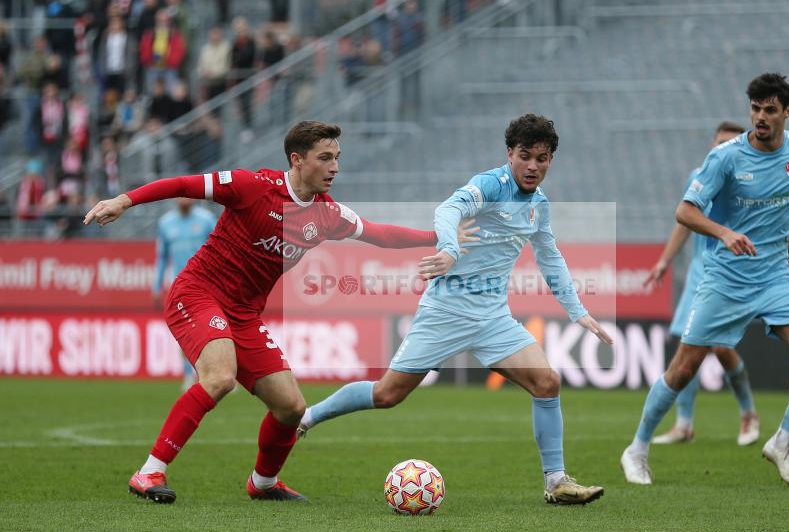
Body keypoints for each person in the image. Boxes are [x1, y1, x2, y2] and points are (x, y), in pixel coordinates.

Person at [84, 121, 472, 504]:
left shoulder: (328, 215)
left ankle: (264, 482)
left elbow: (380, 234)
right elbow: (183, 185)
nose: (335, 167)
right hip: (199, 293)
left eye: (337, 157)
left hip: (244, 315)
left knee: (291, 407)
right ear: (297, 160)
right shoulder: (251, 186)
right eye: (325, 158)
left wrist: (439, 237)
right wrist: (124, 200)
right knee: (219, 377)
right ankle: (150, 471)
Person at [298, 114, 612, 505]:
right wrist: (449, 249)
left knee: (547, 382)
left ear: (551, 160)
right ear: (510, 154)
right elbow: (448, 210)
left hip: (493, 318)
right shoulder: (491, 185)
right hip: (445, 311)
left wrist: (577, 311)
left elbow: (550, 257)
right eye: (525, 156)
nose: (533, 166)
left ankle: (556, 481)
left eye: (542, 158)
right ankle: (307, 416)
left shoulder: (539, 205)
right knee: (387, 394)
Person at [621, 74, 789, 487]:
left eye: (769, 110)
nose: (760, 117)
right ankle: (637, 449)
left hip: (775, 280)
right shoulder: (725, 157)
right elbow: (685, 211)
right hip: (725, 280)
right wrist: (724, 233)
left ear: (786, 112)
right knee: (683, 368)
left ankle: (781, 443)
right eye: (755, 109)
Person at [643, 122, 759, 446]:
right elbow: (685, 221)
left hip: (731, 273)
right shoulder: (699, 175)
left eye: (730, 143)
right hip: (699, 273)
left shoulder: (752, 182)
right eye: (719, 143)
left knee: (720, 347)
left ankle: (749, 412)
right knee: (687, 343)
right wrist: (664, 261)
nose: (722, 149)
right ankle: (684, 425)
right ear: (712, 145)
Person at [152, 197, 217, 390]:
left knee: (215, 328)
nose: (184, 198)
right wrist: (156, 286)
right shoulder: (165, 223)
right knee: (186, 333)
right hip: (181, 287)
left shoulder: (207, 219)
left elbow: (219, 250)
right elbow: (162, 257)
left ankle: (220, 372)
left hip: (207, 284)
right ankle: (189, 375)